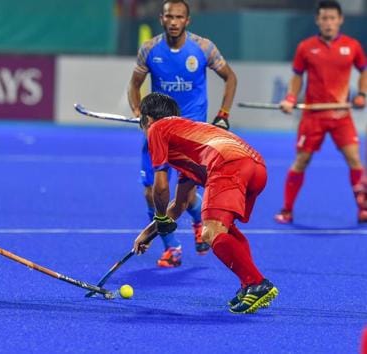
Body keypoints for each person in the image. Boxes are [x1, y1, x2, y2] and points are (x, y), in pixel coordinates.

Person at [132, 92, 278, 314]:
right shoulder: (189, 139)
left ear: (148, 119)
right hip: (256, 166)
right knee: (225, 230)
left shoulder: (157, 128)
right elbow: (179, 205)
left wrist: (160, 219)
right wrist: (148, 233)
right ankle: (249, 285)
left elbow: (160, 186)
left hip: (228, 164)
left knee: (209, 233)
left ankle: (257, 282)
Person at [127, 0, 237, 267]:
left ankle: (198, 220)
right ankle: (172, 248)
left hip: (192, 137)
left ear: (187, 21)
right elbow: (134, 85)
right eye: (169, 16)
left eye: (179, 17)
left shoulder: (203, 47)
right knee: (151, 192)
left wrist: (223, 114)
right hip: (158, 133)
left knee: (185, 197)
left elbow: (230, 78)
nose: (174, 21)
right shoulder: (149, 49)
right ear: (161, 19)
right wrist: (137, 110)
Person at [274, 0, 367, 224]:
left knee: (355, 160)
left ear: (340, 20)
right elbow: (296, 77)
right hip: (313, 117)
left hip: (340, 116)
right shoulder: (305, 47)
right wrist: (290, 98)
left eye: (332, 18)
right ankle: (287, 210)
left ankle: (363, 208)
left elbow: (364, 70)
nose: (328, 23)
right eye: (324, 18)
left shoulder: (352, 46)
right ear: (318, 20)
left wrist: (362, 94)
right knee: (301, 161)